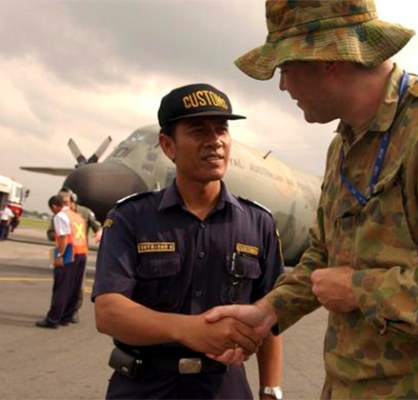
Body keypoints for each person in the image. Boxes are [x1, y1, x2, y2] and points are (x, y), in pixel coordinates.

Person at [205, 1, 418, 399]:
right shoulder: (344, 144)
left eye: (284, 69)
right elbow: (324, 256)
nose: (282, 86)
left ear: (326, 61)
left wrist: (362, 290)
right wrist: (268, 311)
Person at [92, 83, 284, 400]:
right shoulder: (130, 218)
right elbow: (109, 312)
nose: (215, 141)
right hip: (145, 386)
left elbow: (272, 313)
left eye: (222, 129)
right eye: (198, 130)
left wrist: (270, 390)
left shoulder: (258, 223)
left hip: (224, 387)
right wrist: (189, 329)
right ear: (168, 146)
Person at [36, 195, 88, 328]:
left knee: (61, 287)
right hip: (82, 252)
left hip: (67, 250)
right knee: (73, 287)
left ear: (54, 206)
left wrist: (59, 255)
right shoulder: (76, 215)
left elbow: (64, 238)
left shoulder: (60, 216)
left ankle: (53, 319)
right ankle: (66, 317)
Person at [58, 189, 102, 323]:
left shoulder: (84, 212)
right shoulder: (60, 213)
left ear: (73, 200)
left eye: (65, 201)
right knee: (60, 283)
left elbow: (97, 226)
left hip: (79, 251)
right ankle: (59, 311)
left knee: (78, 284)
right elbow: (50, 232)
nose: (63, 205)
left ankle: (74, 311)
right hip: (62, 251)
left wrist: (100, 232)